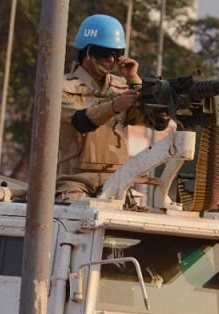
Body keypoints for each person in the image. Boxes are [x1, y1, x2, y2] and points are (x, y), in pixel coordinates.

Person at [56, 14, 157, 201]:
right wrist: (114, 106)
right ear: (87, 52)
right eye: (104, 53)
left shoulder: (122, 87)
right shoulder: (61, 88)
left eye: (116, 53)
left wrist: (134, 80)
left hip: (117, 180)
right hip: (73, 181)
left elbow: (150, 119)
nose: (111, 59)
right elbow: (80, 121)